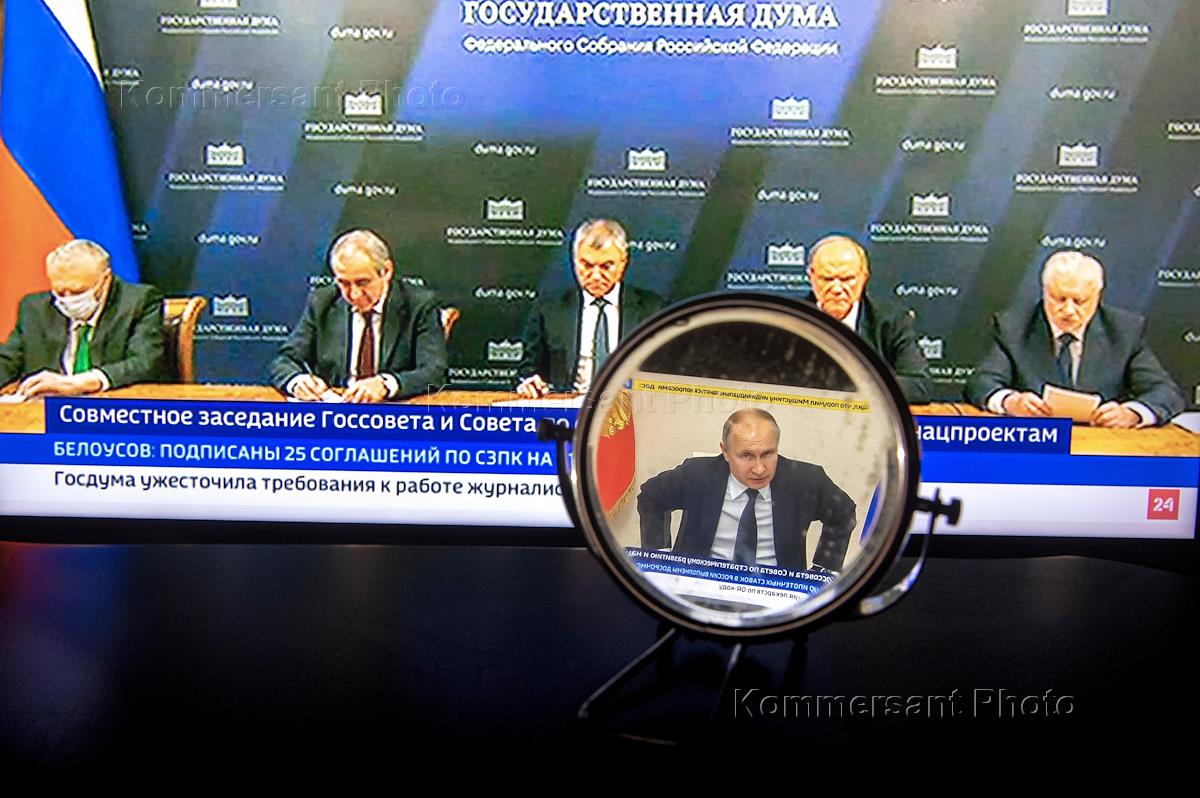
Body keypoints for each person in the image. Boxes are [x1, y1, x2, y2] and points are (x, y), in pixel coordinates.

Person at [966, 250, 1184, 427]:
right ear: (1045, 291)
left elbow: (1166, 393)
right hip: (1037, 443)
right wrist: (1010, 401)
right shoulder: (1013, 327)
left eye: (1079, 301)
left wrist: (1133, 413)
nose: (1068, 310)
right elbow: (981, 383)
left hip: (1103, 446)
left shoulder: (1124, 331)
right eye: (1059, 299)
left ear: (1097, 295)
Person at [637, 408, 856, 573]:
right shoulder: (697, 474)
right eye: (746, 456)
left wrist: (823, 571)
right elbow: (650, 497)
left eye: (768, 454)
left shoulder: (806, 480)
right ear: (725, 451)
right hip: (701, 581)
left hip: (776, 590)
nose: (760, 469)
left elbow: (843, 513)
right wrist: (659, 558)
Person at [270, 229, 447, 403]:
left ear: (386, 272)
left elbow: (434, 372)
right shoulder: (322, 302)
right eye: (344, 283)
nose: (354, 295)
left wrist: (385, 384)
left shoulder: (418, 305)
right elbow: (285, 360)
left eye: (363, 282)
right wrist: (297, 381)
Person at [516, 219, 665, 397]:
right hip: (568, 408)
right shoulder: (549, 308)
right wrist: (528, 382)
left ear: (623, 262)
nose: (595, 276)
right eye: (587, 265)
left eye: (606, 266)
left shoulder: (652, 309)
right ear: (574, 261)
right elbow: (528, 371)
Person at [0, 239, 165, 396]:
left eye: (78, 291)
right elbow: (8, 360)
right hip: (41, 409)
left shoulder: (138, 302)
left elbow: (145, 363)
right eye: (60, 292)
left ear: (105, 280)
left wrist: (85, 382)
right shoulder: (35, 309)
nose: (68, 299)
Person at [807, 235, 933, 403]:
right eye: (827, 279)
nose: (836, 288)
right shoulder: (788, 318)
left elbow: (919, 386)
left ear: (864, 278)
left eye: (847, 279)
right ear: (811, 277)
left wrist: (856, 384)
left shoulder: (891, 321)